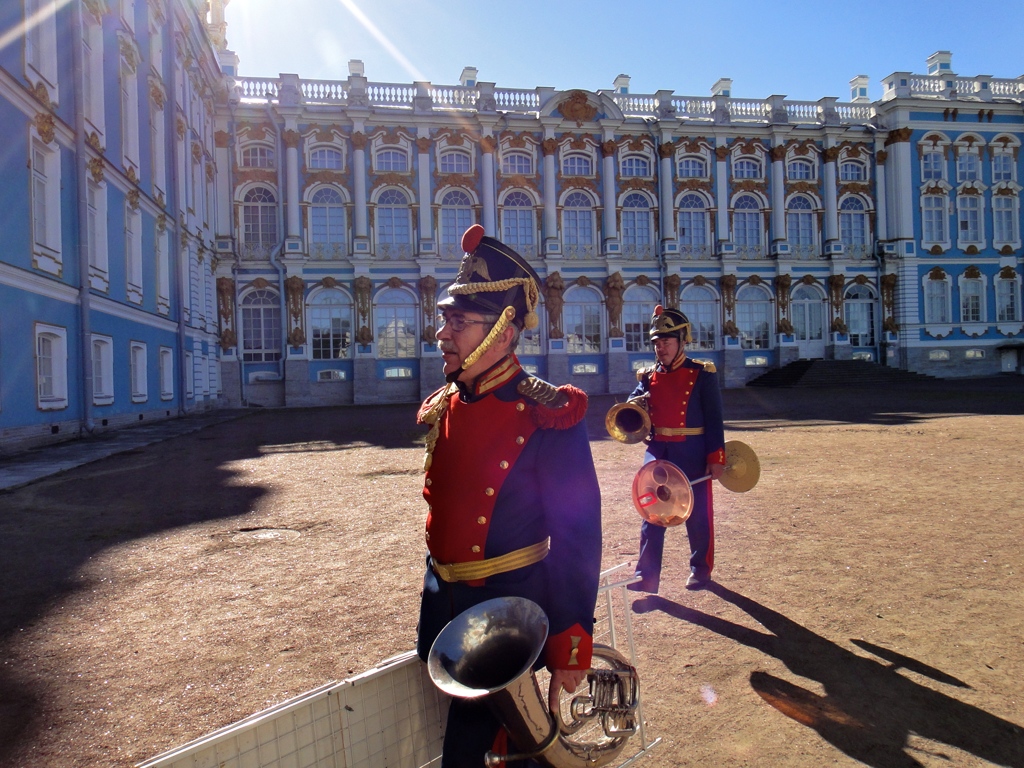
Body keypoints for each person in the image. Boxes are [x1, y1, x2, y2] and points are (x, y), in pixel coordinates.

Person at [416, 224, 602, 767]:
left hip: (507, 621)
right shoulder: (444, 406)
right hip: (446, 615)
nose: (442, 336)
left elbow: (576, 535)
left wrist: (572, 640)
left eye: (457, 323)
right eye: (444, 320)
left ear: (502, 330)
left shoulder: (547, 414)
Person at [627, 305, 725, 594]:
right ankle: (646, 576)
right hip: (658, 452)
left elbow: (714, 419)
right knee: (651, 514)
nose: (661, 349)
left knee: (697, 516)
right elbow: (631, 409)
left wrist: (715, 458)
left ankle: (700, 569)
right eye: (657, 343)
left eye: (667, 342)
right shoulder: (647, 376)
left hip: (693, 451)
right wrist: (636, 407)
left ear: (683, 341)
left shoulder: (702, 373)